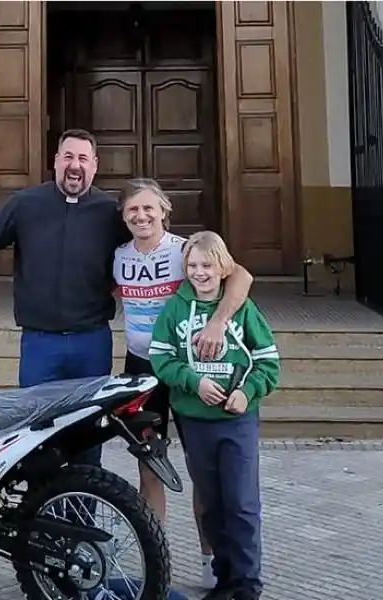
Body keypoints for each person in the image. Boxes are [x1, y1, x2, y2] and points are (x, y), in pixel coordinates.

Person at [0, 129, 238, 467]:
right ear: (55, 161)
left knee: (88, 438)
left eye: (83, 158)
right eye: (68, 157)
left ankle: (83, 527)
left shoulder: (111, 213)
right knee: (32, 439)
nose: (74, 165)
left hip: (91, 343)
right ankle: (40, 526)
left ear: (95, 166)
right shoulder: (26, 204)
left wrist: (216, 315)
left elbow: (149, 248)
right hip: (40, 345)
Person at [113, 179, 253, 591]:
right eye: (132, 210)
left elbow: (240, 276)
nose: (141, 216)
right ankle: (152, 555)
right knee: (149, 466)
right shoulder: (118, 256)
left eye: (148, 208)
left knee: (200, 469)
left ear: (164, 211)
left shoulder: (183, 251)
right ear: (123, 216)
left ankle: (211, 559)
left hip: (190, 368)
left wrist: (217, 321)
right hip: (140, 368)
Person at [149, 231, 280, 600]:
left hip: (236, 421)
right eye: (192, 265)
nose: (199, 272)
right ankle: (224, 581)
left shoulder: (244, 310)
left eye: (207, 265)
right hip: (195, 419)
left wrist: (248, 391)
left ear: (224, 268)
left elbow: (268, 361)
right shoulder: (176, 308)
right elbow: (162, 358)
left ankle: (247, 584)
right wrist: (192, 381)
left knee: (241, 502)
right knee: (212, 502)